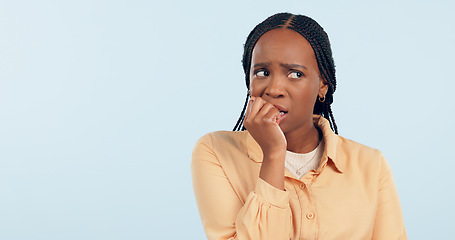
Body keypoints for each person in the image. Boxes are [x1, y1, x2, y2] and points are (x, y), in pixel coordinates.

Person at [191, 12, 407, 240]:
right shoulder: (216, 152)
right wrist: (274, 154)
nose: (274, 89)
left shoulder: (371, 166)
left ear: (323, 85)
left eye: (295, 74)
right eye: (262, 72)